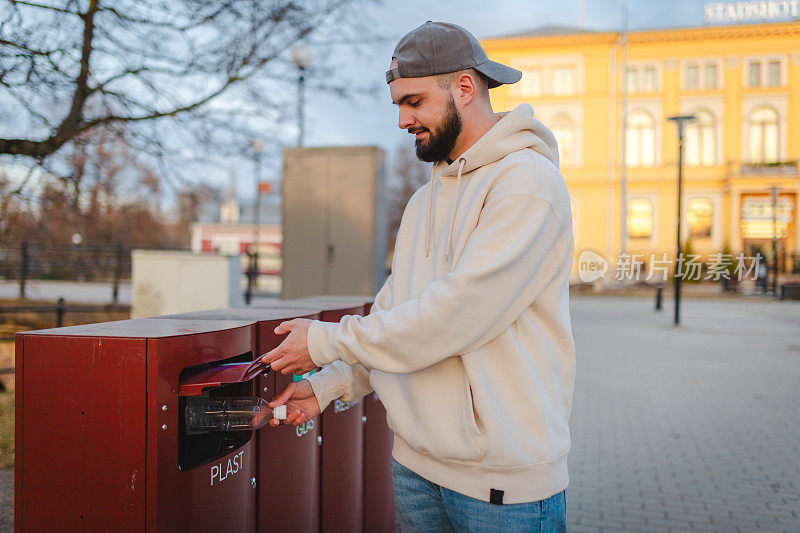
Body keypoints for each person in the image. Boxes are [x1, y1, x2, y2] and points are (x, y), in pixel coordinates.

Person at [262, 21, 575, 532]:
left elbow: (454, 316)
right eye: (398, 106)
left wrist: (324, 341)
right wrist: (329, 383)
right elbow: (396, 316)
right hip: (415, 468)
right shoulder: (425, 200)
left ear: (465, 88)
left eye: (414, 102)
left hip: (500, 488)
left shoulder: (528, 185)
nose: (403, 120)